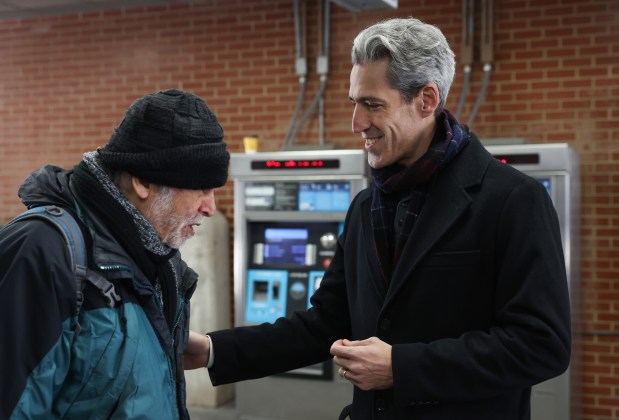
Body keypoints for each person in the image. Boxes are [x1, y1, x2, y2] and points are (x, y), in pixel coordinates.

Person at [184, 17, 572, 419]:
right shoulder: (366, 207)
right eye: (354, 102)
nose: (357, 123)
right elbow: (325, 324)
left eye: (372, 104)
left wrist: (401, 368)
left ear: (426, 100)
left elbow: (541, 344)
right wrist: (214, 350)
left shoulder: (512, 200)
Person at [0, 89, 230, 419]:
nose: (210, 208)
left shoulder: (155, 253)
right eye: (201, 189)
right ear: (143, 182)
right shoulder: (41, 251)